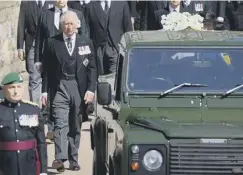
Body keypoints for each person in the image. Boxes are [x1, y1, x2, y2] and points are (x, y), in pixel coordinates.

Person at [41, 11, 97, 172]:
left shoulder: (86, 42)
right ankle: (59, 158)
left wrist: (91, 90)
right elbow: (46, 71)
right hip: (60, 87)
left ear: (77, 25)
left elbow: (92, 69)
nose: (69, 27)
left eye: (72, 23)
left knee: (75, 125)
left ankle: (73, 159)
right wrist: (44, 92)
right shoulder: (52, 43)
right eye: (66, 24)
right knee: (60, 123)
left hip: (79, 88)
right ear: (61, 26)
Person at [34, 0, 89, 141]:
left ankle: (70, 126)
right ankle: (53, 128)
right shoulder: (45, 14)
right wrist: (37, 59)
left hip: (71, 64)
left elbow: (84, 38)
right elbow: (39, 38)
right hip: (51, 62)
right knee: (52, 94)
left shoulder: (77, 15)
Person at [0, 72, 47, 175]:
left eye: (19, 87)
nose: (16, 91)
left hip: (29, 166)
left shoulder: (33, 110)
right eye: (11, 87)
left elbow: (41, 143)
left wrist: (43, 171)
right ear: (4, 90)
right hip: (6, 167)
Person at [17, 0, 55, 105]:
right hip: (32, 44)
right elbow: (21, 24)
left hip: (49, 44)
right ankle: (36, 109)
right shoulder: (26, 3)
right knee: (34, 77)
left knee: (50, 76)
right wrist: (20, 47)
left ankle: (49, 108)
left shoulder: (54, 2)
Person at [86, 0, 132, 76]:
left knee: (115, 76)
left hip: (115, 47)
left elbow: (128, 28)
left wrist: (127, 49)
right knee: (100, 76)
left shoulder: (122, 4)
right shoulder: (90, 6)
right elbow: (87, 30)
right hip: (98, 49)